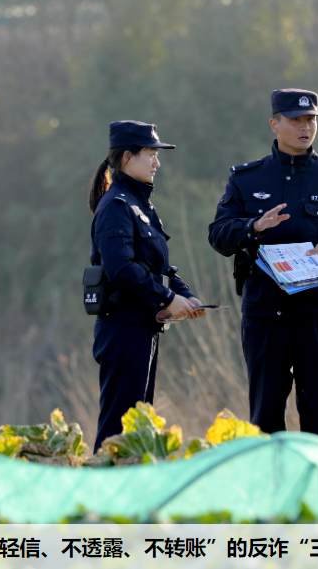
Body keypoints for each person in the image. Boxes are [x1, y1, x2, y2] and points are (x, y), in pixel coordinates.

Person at [208, 88, 318, 439]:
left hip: (317, 314)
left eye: (311, 120)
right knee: (265, 417)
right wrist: (252, 226)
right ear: (274, 124)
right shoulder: (246, 179)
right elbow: (219, 235)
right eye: (296, 120)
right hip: (265, 315)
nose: (305, 127)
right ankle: (272, 491)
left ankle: (317, 492)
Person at [88, 120, 204, 452]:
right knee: (118, 431)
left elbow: (161, 267)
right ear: (127, 158)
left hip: (143, 328)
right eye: (150, 154)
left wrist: (183, 295)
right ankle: (103, 502)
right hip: (122, 328)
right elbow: (120, 267)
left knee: (137, 432)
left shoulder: (142, 206)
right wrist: (166, 297)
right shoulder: (116, 206)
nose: (157, 162)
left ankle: (128, 503)